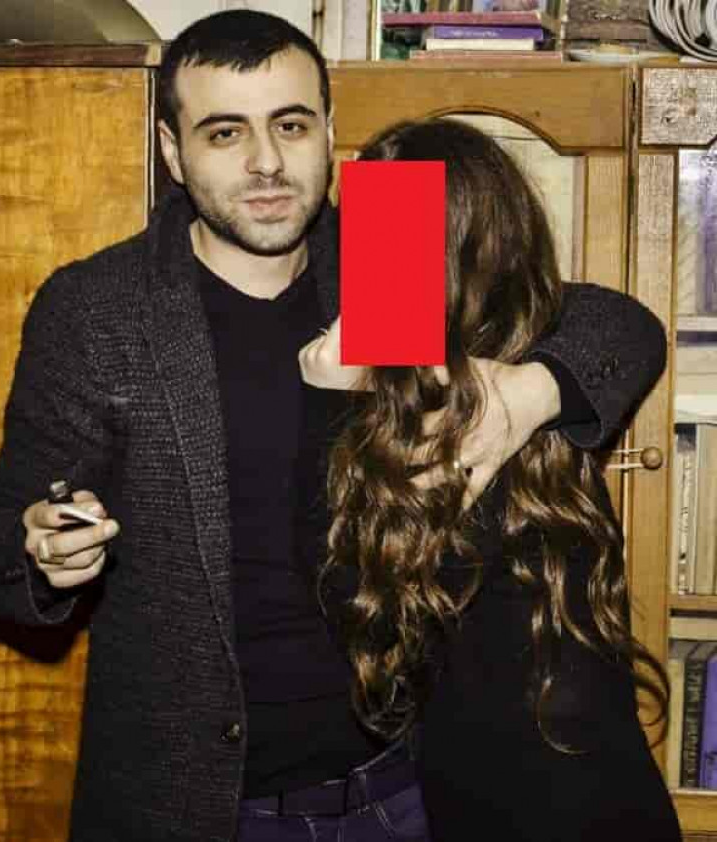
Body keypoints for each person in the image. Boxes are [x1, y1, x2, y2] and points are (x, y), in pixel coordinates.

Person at [0, 10, 666, 842]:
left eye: (290, 126)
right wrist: (42, 553)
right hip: (195, 808)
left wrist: (533, 391)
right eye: (225, 132)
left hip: (404, 790)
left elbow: (612, 323)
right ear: (173, 151)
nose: (265, 161)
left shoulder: (380, 248)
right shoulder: (98, 309)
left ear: (329, 133)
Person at [307, 119, 681, 842]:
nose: (373, 265)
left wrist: (530, 393)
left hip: (560, 797)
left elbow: (628, 323)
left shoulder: (519, 375)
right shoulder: (450, 376)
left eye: (395, 236)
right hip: (479, 791)